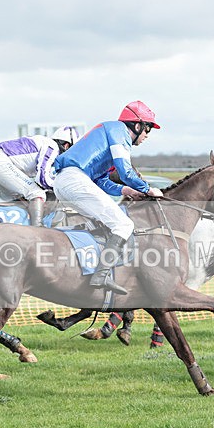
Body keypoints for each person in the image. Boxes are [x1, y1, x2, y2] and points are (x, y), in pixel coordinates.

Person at [53, 100, 164, 295]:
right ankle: (101, 275)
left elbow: (101, 181)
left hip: (66, 182)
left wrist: (126, 191)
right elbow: (125, 171)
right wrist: (148, 189)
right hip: (74, 180)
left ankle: (88, 267)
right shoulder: (119, 132)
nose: (147, 135)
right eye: (148, 130)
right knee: (124, 225)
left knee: (105, 223)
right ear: (137, 126)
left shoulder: (110, 136)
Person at [0, 126, 80, 226]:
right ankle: (37, 228)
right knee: (36, 193)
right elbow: (43, 179)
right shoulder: (52, 146)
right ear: (66, 146)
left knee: (25, 197)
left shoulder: (45, 143)